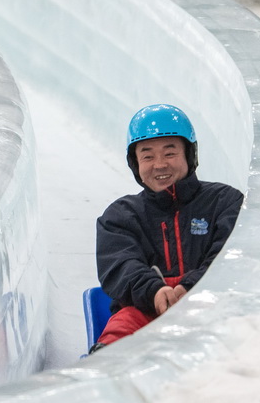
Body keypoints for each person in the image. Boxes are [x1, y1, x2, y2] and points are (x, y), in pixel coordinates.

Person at [89, 103, 243, 353]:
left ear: (189, 155)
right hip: (144, 308)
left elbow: (230, 255)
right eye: (147, 156)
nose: (159, 165)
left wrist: (191, 288)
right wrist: (155, 291)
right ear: (135, 163)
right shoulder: (120, 216)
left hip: (212, 307)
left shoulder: (224, 202)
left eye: (169, 153)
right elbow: (120, 265)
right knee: (120, 333)